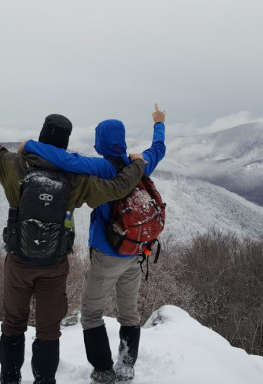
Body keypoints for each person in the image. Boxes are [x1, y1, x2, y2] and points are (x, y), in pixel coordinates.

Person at [0, 101, 147, 384]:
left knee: (13, 324)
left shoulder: (14, 166)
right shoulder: (75, 179)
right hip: (54, 265)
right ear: (65, 144)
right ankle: (44, 379)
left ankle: (10, 378)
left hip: (19, 263)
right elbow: (118, 187)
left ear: (41, 136)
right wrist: (137, 164)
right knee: (48, 330)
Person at [22, 104, 166, 383]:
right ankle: (126, 365)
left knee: (90, 312)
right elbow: (159, 148)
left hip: (107, 254)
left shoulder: (102, 166)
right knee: (129, 311)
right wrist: (159, 123)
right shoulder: (139, 164)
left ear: (101, 142)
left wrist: (31, 145)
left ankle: (102, 369)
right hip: (136, 252)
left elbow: (65, 160)